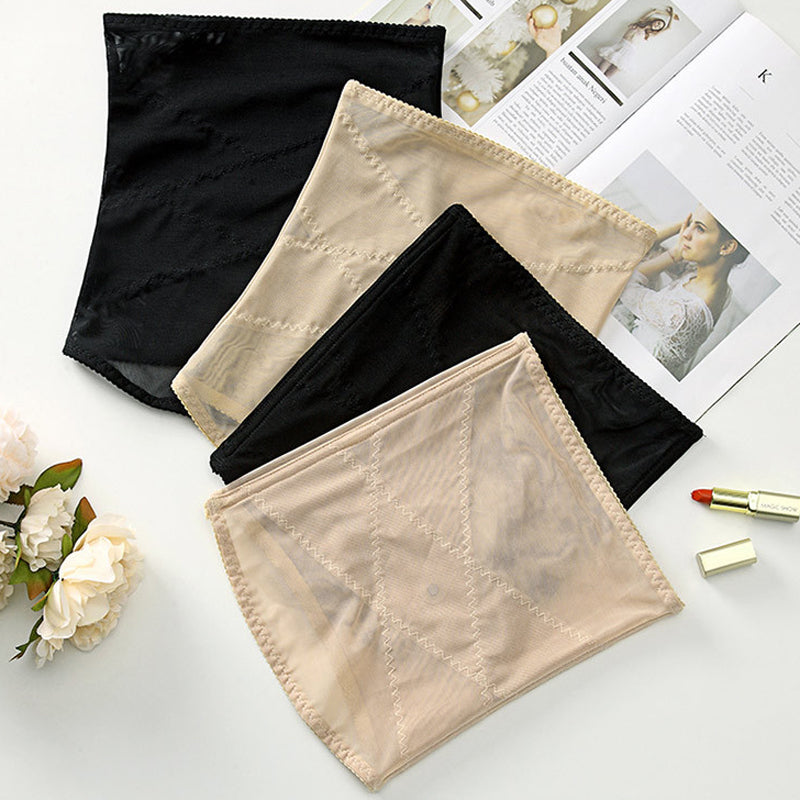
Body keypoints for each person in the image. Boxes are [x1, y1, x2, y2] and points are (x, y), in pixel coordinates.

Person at [615, 205, 749, 379]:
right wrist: (684, 226)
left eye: (700, 229)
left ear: (727, 247)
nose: (685, 233)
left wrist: (674, 253)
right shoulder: (708, 280)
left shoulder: (686, 311)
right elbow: (642, 241)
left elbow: (624, 283)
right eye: (689, 224)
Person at [596, 6, 679, 77]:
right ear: (654, 20)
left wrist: (672, 15)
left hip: (628, 53)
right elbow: (654, 11)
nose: (657, 25)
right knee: (600, 70)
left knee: (608, 75)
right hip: (619, 46)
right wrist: (668, 13)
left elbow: (668, 28)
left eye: (659, 26)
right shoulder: (640, 23)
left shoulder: (649, 34)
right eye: (658, 23)